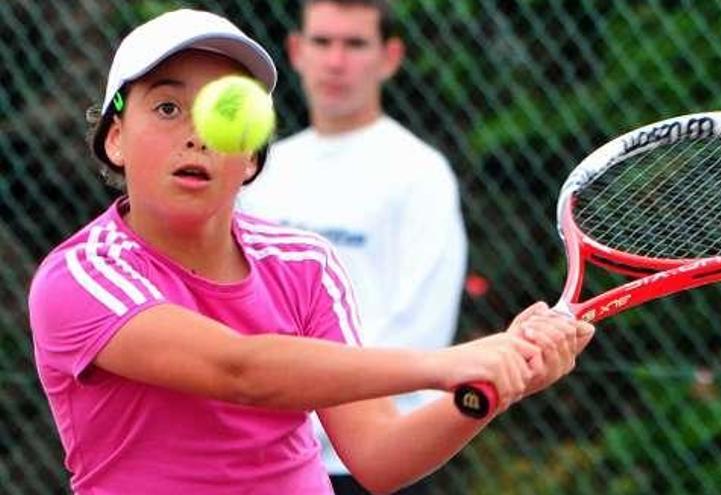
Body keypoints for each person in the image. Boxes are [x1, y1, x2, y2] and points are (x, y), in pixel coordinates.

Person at [27, 8, 594, 495]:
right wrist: (448, 364)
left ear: (249, 156)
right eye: (167, 108)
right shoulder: (83, 276)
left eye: (225, 113)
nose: (196, 133)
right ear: (115, 137)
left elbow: (377, 457)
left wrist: (489, 389)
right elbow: (239, 369)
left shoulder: (305, 263)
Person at [235, 1, 466, 492]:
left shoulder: (419, 174)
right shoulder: (257, 173)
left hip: (374, 461)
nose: (336, 61)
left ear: (390, 57)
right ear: (296, 51)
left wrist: (316, 411)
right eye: (322, 42)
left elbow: (421, 330)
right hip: (265, 460)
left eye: (355, 44)